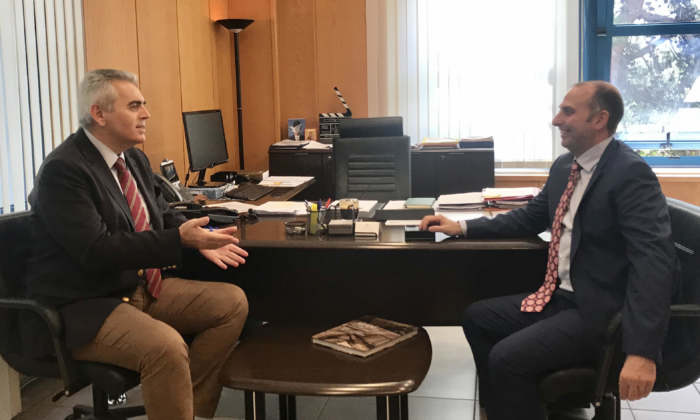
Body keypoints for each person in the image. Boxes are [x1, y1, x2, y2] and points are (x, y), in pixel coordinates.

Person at [420, 81, 678, 420]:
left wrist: (642, 352)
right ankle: (502, 409)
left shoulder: (630, 173)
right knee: (477, 318)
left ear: (599, 119)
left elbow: (654, 262)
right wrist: (462, 227)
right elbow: (530, 217)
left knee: (507, 358)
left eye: (568, 112)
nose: (556, 120)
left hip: (599, 311)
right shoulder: (565, 166)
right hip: (560, 298)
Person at [23, 69, 250, 420]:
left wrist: (197, 237)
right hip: (86, 303)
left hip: (136, 287)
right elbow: (97, 250)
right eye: (134, 106)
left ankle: (190, 410)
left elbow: (161, 214)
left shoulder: (134, 160)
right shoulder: (64, 170)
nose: (146, 114)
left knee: (231, 304)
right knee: (166, 348)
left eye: (144, 104)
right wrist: (178, 239)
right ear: (99, 114)